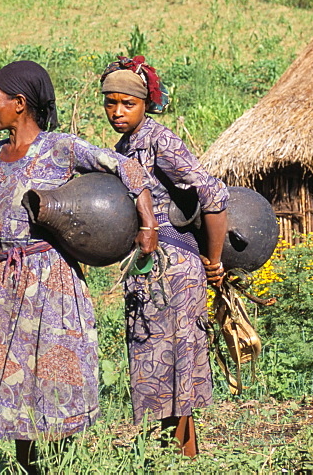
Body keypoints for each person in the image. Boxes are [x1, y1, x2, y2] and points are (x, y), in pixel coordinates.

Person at [0, 60, 157, 474]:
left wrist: (148, 223)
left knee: (52, 383)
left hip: (50, 281)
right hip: (4, 285)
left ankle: (59, 467)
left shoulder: (61, 148)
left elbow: (128, 168)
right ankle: (27, 468)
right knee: (16, 391)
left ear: (19, 103)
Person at [99, 55, 229, 457]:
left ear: (145, 104)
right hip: (146, 267)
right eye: (110, 103)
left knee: (178, 357)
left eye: (128, 104)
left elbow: (213, 193)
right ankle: (170, 452)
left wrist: (214, 261)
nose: (117, 112)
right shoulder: (123, 148)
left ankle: (183, 455)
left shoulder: (160, 140)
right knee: (153, 356)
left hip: (175, 266)